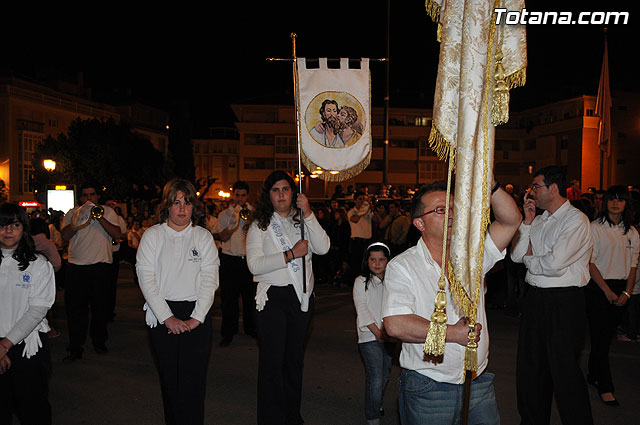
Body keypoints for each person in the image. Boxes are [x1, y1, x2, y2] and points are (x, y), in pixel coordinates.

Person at [382, 179, 521, 425]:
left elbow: (511, 220)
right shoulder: (403, 266)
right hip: (429, 386)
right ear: (419, 223)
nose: (451, 215)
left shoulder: (472, 256)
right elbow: (395, 324)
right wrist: (452, 333)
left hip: (477, 381)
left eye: (454, 208)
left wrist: (490, 185)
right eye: (440, 210)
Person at [510, 165, 594, 425]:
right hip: (535, 299)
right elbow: (515, 256)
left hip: (564, 301)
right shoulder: (539, 219)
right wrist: (526, 221)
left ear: (553, 188)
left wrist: (530, 260)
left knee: (565, 371)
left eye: (536, 186)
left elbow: (555, 263)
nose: (531, 191)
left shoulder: (575, 220)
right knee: (531, 370)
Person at [245, 170, 330, 425]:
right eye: (275, 190)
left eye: (285, 189)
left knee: (293, 361)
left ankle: (292, 415)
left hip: (301, 298)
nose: (281, 194)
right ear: (268, 195)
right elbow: (254, 265)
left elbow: (323, 248)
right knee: (272, 362)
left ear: (294, 193)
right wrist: (289, 255)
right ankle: (270, 418)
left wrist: (309, 214)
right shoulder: (260, 224)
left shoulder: (302, 221)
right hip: (272, 299)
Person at [136, 178, 219, 425]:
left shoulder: (203, 237)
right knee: (171, 382)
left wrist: (197, 318)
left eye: (187, 202)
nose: (182, 208)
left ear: (194, 206)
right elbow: (146, 278)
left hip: (197, 314)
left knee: (194, 383)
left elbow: (210, 279)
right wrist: (167, 317)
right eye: (176, 202)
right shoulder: (153, 236)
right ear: (167, 206)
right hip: (163, 313)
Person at [0, 203, 56, 425]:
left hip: (27, 347)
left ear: (24, 228)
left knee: (33, 409)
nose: (8, 230)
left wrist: (4, 345)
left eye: (15, 224)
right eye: (2, 225)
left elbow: (37, 310)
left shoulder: (38, 264)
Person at [585, 185, 639, 406]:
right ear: (605, 202)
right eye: (612, 199)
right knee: (600, 338)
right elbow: (590, 262)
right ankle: (605, 386)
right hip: (598, 287)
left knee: (605, 338)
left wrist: (627, 291)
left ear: (627, 204)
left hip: (621, 289)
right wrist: (606, 291)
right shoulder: (595, 228)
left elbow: (633, 265)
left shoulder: (632, 232)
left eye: (621, 200)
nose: (616, 203)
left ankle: (592, 373)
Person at [61, 183, 123, 362]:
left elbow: (117, 234)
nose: (89, 199)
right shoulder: (73, 213)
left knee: (100, 308)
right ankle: (75, 346)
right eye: (85, 195)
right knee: (75, 310)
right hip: (76, 266)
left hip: (101, 266)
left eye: (92, 195)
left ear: (97, 197)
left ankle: (99, 341)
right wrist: (81, 217)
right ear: (80, 198)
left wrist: (99, 217)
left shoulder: (108, 212)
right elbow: (65, 236)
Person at [353, 242, 395, 425]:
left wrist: (389, 333)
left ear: (388, 261)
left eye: (381, 259)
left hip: (390, 336)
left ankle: (376, 403)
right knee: (376, 377)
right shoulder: (361, 281)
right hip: (369, 335)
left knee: (384, 375)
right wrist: (377, 332)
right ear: (367, 261)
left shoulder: (393, 282)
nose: (377, 264)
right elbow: (362, 309)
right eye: (373, 260)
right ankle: (372, 417)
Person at [211, 180, 256, 347]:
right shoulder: (225, 214)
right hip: (229, 259)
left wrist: (249, 218)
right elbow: (222, 237)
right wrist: (235, 221)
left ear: (247, 196)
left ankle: (251, 329)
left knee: (250, 298)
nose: (240, 199)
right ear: (233, 195)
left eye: (243, 195)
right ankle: (228, 333)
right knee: (229, 299)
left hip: (247, 260)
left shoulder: (253, 212)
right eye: (237, 195)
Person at [348, 191, 374, 282]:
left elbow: (378, 220)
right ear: (355, 201)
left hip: (367, 241)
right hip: (357, 241)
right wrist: (363, 211)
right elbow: (354, 219)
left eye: (364, 199)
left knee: (367, 263)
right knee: (357, 264)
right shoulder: (352, 212)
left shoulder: (367, 211)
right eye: (360, 199)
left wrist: (371, 208)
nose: (362, 201)